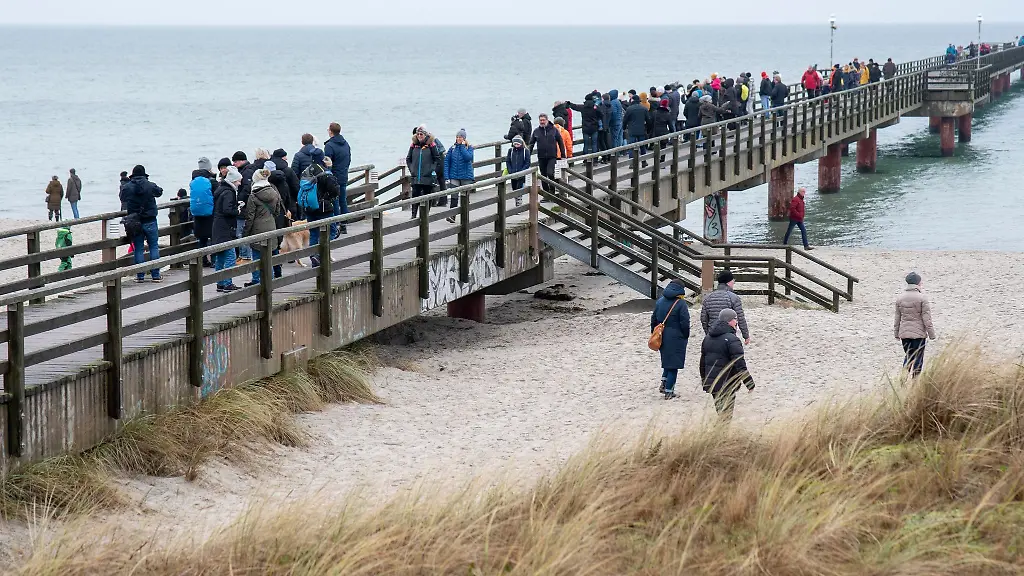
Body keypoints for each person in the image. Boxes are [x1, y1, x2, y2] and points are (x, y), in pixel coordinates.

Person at [700, 308, 754, 422]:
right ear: (729, 321)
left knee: (720, 411)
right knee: (726, 415)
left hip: (713, 382)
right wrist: (749, 383)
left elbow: (702, 363)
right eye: (735, 319)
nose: (737, 323)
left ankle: (719, 434)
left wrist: (705, 380)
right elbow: (740, 363)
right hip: (728, 382)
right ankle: (721, 436)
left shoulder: (708, 338)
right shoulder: (732, 339)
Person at [119, 165, 164, 283]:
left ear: (133, 175)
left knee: (138, 248)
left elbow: (122, 197)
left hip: (135, 222)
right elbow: (160, 192)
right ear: (144, 174)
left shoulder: (128, 187)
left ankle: (140, 276)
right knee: (153, 246)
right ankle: (155, 275)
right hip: (150, 220)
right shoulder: (150, 185)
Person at [243, 168, 283, 286]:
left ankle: (257, 280)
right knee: (271, 253)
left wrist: (246, 233)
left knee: (257, 255)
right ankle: (272, 277)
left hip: (257, 229)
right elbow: (277, 211)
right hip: (271, 226)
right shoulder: (274, 192)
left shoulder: (253, 196)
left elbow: (250, 217)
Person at [651, 279, 690, 400]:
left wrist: (655, 333)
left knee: (667, 360)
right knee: (674, 365)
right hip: (676, 337)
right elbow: (685, 322)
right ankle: (669, 391)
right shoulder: (680, 303)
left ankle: (664, 382)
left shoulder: (660, 301)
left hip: (662, 335)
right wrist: (685, 335)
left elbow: (653, 319)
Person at [895, 272, 936, 377]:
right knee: (918, 358)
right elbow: (927, 318)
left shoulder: (900, 298)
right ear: (918, 283)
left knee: (909, 356)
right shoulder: (922, 298)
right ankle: (915, 381)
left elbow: (897, 318)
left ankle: (903, 378)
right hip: (919, 335)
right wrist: (931, 334)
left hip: (904, 334)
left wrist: (896, 333)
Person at [212, 166, 242, 292]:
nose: (240, 183)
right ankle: (228, 283)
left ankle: (220, 283)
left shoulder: (220, 189)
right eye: (238, 181)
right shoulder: (229, 192)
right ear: (234, 181)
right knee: (230, 255)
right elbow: (228, 210)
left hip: (217, 226)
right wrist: (238, 210)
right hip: (225, 227)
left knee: (220, 256)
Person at [700, 270, 750, 344]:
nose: (733, 283)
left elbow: (703, 319)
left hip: (712, 334)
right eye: (733, 281)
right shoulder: (733, 297)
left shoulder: (708, 298)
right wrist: (746, 335)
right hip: (728, 335)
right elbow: (740, 318)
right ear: (729, 282)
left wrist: (708, 333)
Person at [407, 127, 444, 219]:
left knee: (428, 195)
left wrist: (432, 169)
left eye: (421, 134)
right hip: (416, 176)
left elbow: (437, 159)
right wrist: (412, 169)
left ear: (425, 135)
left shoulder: (431, 145)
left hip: (427, 176)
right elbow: (408, 159)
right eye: (418, 134)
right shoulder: (413, 145)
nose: (419, 136)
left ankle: (425, 215)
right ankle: (413, 215)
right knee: (415, 195)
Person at [324, 122, 351, 239]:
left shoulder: (329, 145)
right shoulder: (346, 144)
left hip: (334, 176)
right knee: (342, 200)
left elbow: (327, 162)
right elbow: (348, 158)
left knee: (334, 200)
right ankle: (344, 224)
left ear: (330, 131)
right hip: (343, 174)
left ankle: (335, 224)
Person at [189, 157, 217, 267]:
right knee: (213, 237)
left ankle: (202, 260)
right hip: (211, 213)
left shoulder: (193, 181)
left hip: (197, 214)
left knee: (202, 238)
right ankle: (214, 261)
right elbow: (217, 195)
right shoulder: (212, 181)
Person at [529, 113, 566, 195]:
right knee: (543, 175)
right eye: (540, 120)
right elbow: (531, 144)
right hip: (541, 156)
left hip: (552, 156)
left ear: (547, 120)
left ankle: (552, 191)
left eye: (543, 120)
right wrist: (528, 155)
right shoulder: (536, 131)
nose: (542, 122)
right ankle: (546, 194)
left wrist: (563, 155)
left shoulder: (553, 129)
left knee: (550, 173)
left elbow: (560, 142)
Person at [444, 128, 475, 223]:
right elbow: (446, 162)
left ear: (464, 138)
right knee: (454, 196)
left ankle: (465, 216)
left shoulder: (469, 147)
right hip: (454, 176)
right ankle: (452, 216)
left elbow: (468, 158)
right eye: (457, 137)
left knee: (465, 197)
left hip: (466, 176)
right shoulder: (452, 148)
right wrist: (446, 176)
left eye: (460, 137)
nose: (458, 139)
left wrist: (462, 147)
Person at [270, 148, 301, 219]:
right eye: (285, 156)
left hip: (273, 203)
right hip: (289, 202)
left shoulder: (269, 170)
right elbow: (295, 186)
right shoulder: (288, 170)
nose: (286, 158)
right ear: (282, 158)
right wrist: (298, 199)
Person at [505, 135, 531, 207]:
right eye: (515, 144)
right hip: (513, 173)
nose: (516, 145)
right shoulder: (511, 150)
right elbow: (508, 161)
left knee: (519, 189)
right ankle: (517, 201)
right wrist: (510, 171)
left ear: (521, 143)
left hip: (521, 173)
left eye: (518, 144)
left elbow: (527, 162)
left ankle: (519, 204)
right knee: (514, 188)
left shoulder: (526, 151)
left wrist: (522, 172)